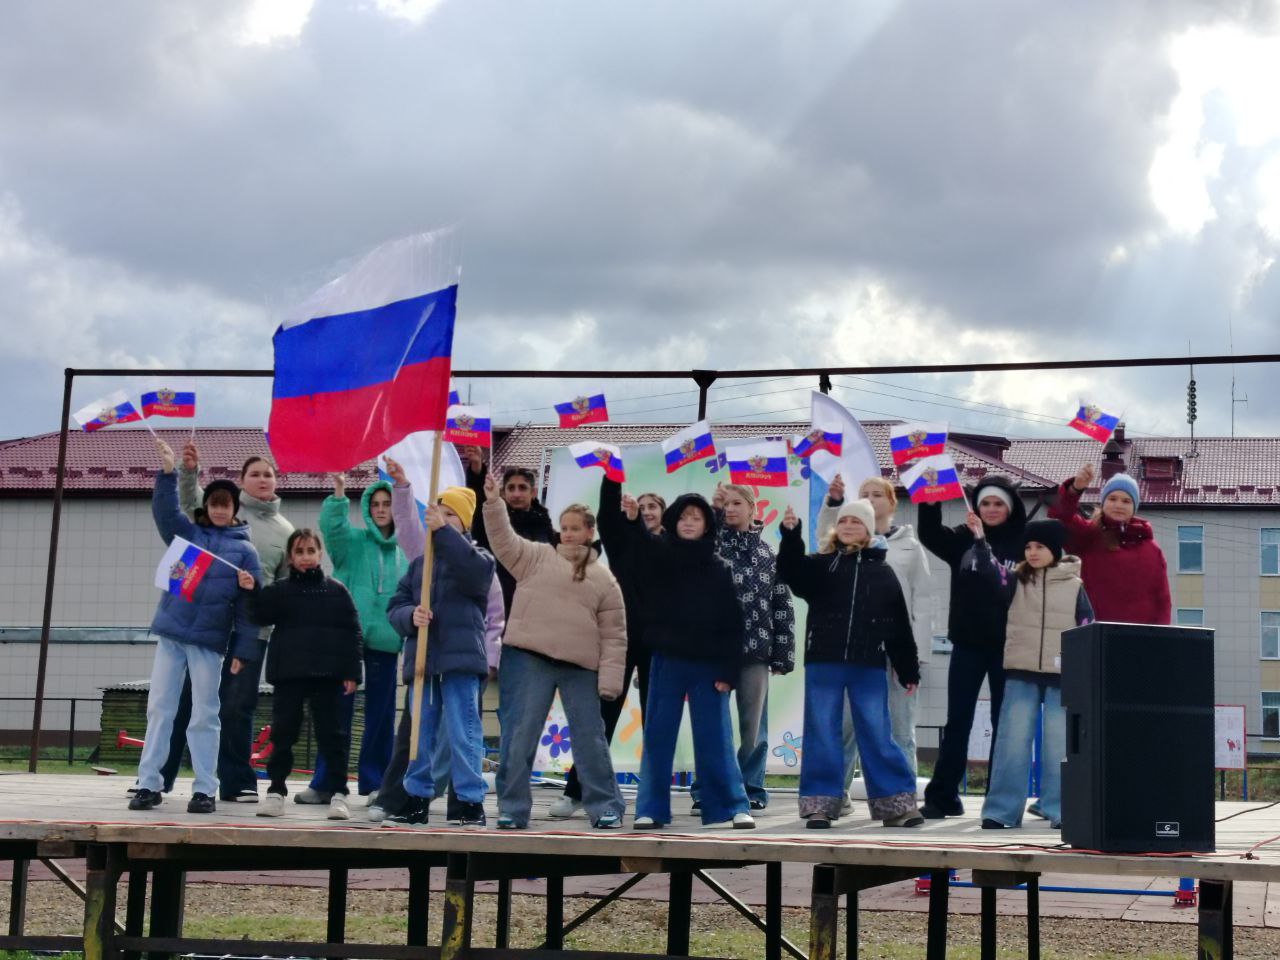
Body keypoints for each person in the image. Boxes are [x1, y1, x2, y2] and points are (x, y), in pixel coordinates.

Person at [481, 473, 628, 830]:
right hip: (528, 658)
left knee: (590, 737)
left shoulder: (605, 579)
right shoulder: (536, 556)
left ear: (590, 532)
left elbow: (614, 635)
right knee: (519, 735)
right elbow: (502, 540)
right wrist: (493, 503)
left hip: (580, 667)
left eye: (576, 528)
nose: (569, 533)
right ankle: (512, 810)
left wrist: (610, 683)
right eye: (564, 528)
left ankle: (606, 807)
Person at [369, 460, 504, 824]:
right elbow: (396, 605)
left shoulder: (479, 560)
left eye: (450, 514)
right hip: (424, 663)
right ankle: (416, 800)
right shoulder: (420, 565)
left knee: (464, 734)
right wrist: (409, 616)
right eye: (438, 513)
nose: (440, 519)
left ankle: (470, 803)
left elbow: (473, 574)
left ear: (464, 524)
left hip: (461, 663)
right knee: (420, 735)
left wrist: (443, 531)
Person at [129, 439, 260, 814]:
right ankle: (148, 783)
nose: (219, 509)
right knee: (160, 708)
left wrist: (243, 648)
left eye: (226, 504)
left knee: (205, 713)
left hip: (208, 642)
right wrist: (168, 473)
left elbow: (250, 609)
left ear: (234, 510)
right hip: (172, 635)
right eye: (214, 503)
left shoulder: (245, 552)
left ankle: (205, 789)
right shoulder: (188, 534)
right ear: (207, 506)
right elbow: (164, 512)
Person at [161, 444, 295, 802]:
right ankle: (158, 776)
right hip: (206, 624)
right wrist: (190, 469)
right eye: (255, 474)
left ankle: (237, 782)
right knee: (185, 702)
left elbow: (283, 585)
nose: (263, 479)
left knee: (237, 705)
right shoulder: (224, 509)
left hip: (252, 630)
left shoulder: (286, 530)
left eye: (268, 474)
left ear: (276, 481)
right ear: (242, 480)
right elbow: (190, 500)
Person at [777, 500, 923, 829]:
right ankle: (820, 805)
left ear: (869, 530)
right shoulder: (821, 564)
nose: (848, 526)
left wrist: (908, 668)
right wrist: (790, 535)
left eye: (857, 522)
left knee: (876, 730)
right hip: (823, 662)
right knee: (822, 731)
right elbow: (790, 572)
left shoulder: (883, 572)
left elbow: (898, 625)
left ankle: (895, 805)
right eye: (844, 521)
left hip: (868, 664)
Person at [627, 493, 755, 830]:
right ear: (673, 520)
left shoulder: (719, 567)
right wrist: (632, 518)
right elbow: (635, 543)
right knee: (658, 736)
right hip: (667, 661)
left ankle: (731, 806)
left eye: (696, 518)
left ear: (707, 525)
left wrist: (729, 672)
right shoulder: (658, 556)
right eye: (683, 516)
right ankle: (650, 809)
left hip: (709, 666)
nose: (688, 522)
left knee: (716, 738)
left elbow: (734, 624)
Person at [964, 519, 1093, 830]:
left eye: (1040, 547)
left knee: (1060, 745)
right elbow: (989, 570)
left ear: (1056, 550)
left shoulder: (1075, 586)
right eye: (1028, 547)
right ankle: (1001, 811)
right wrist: (980, 540)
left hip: (1062, 675)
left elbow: (1086, 626)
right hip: (1020, 672)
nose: (1032, 552)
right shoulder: (1015, 580)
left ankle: (1060, 809)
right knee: (1011, 741)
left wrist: (1083, 670)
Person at [549, 479, 664, 820]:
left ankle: (653, 800)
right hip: (620, 642)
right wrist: (611, 474)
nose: (646, 512)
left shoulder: (670, 547)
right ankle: (576, 791)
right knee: (601, 719)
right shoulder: (620, 541)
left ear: (663, 514)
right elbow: (607, 516)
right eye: (641, 506)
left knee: (657, 721)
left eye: (653, 507)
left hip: (659, 645)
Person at [917, 475, 1027, 820]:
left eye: (998, 504)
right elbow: (929, 534)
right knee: (958, 721)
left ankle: (998, 800)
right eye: (985, 503)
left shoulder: (1025, 541)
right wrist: (931, 499)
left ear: (1010, 508)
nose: (991, 509)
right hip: (967, 644)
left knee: (1002, 723)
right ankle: (943, 796)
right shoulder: (963, 538)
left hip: (1010, 647)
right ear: (976, 507)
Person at [817, 474, 930, 798]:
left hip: (897, 653)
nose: (870, 498)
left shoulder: (910, 546)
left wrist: (916, 657)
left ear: (891, 503)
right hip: (854, 651)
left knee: (899, 730)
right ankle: (832, 797)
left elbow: (924, 602)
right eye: (864, 493)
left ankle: (901, 798)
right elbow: (824, 540)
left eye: (877, 494)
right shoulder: (848, 544)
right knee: (845, 727)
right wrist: (833, 504)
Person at [237, 529, 363, 820]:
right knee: (283, 734)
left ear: (320, 554)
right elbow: (258, 615)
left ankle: (339, 793)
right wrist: (250, 590)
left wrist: (352, 673)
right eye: (299, 552)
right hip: (289, 674)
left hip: (328, 675)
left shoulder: (337, 591)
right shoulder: (280, 591)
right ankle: (276, 791)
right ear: (290, 557)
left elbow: (352, 632)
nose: (305, 557)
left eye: (310, 551)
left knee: (332, 736)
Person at [302, 473, 406, 803]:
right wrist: (338, 493)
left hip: (386, 642)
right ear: (366, 509)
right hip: (347, 640)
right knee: (336, 713)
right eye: (375, 504)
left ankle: (375, 783)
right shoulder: (353, 542)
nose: (381, 509)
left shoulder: (408, 549)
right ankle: (325, 783)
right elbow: (332, 530)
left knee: (381, 717)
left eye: (387, 504)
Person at [701, 482, 794, 813]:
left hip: (756, 652)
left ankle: (751, 787)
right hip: (713, 652)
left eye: (737, 503)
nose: (730, 508)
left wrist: (782, 655)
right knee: (711, 722)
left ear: (752, 509)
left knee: (753, 728)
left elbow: (782, 605)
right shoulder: (710, 547)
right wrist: (712, 513)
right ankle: (707, 789)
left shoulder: (768, 554)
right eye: (725, 504)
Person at [1048, 466, 1171, 625]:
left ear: (1134, 507)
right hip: (1093, 633)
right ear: (1103, 503)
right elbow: (1059, 518)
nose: (1118, 505)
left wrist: (1161, 635)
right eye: (1112, 499)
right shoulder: (1087, 535)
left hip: (1140, 637)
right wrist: (1074, 490)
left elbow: (1162, 600)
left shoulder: (1152, 550)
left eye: (1126, 501)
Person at [471, 464, 557, 617]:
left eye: (522, 488)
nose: (516, 494)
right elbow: (479, 504)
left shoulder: (544, 524)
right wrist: (477, 471)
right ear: (503, 492)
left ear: (533, 492)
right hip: (499, 606)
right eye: (511, 488)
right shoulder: (494, 522)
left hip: (535, 607)